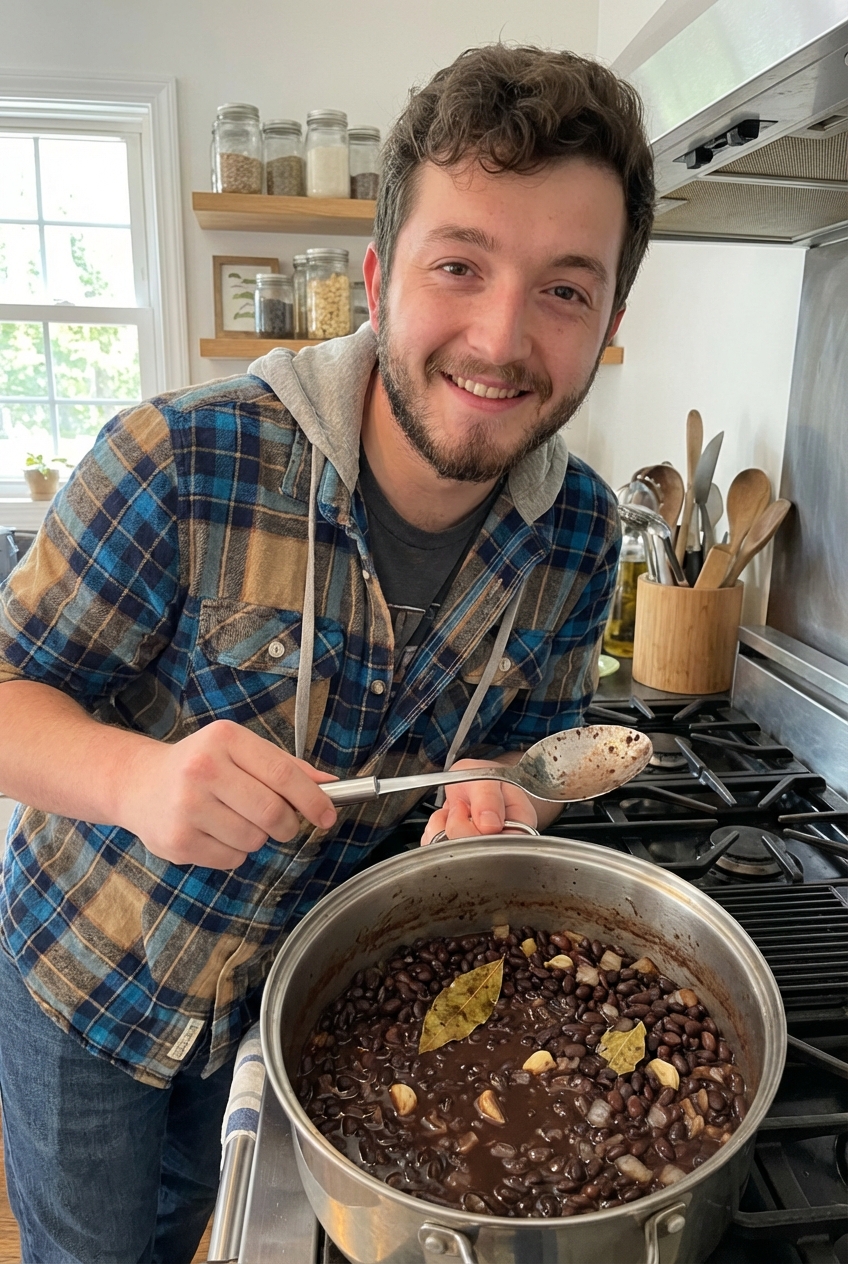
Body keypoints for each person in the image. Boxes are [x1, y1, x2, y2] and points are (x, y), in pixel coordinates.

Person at [0, 43, 654, 1264]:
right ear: (375, 278)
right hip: (92, 989)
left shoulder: (578, 537)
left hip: (310, 1019)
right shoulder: (180, 461)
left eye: (564, 289)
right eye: (458, 265)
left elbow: (539, 760)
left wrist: (511, 802)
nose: (500, 337)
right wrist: (137, 779)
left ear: (609, 319)